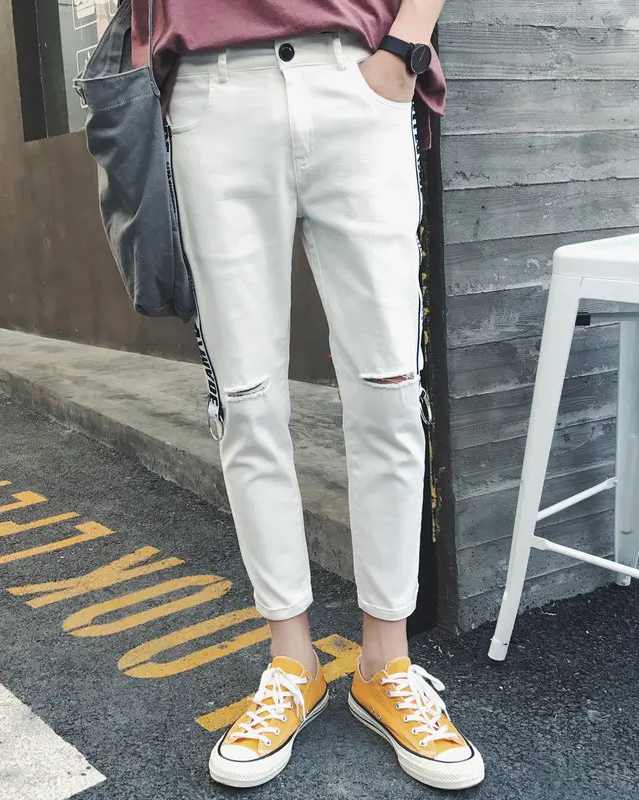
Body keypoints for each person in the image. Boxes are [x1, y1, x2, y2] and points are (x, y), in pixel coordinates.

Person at [132, 0, 485, 791]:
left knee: (390, 392)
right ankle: (293, 663)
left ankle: (385, 664)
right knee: (247, 401)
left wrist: (406, 48)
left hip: (358, 75)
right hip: (213, 93)